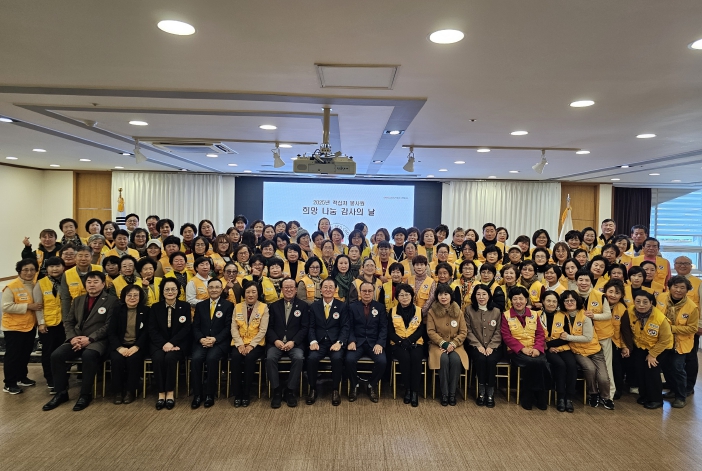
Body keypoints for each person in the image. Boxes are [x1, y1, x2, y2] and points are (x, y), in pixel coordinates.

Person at [43, 271, 118, 411]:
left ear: (103, 284)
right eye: (89, 282)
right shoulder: (78, 300)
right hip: (76, 338)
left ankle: (85, 394)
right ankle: (61, 393)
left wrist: (90, 338)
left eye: (96, 282)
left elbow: (109, 325)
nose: (92, 285)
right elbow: (69, 321)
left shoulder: (112, 301)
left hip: (97, 340)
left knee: (88, 355)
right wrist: (72, 338)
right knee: (56, 355)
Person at [559, 290, 614, 410]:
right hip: (578, 352)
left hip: (595, 350)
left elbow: (588, 338)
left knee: (603, 377)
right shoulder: (561, 315)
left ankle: (606, 397)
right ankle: (593, 394)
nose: (569, 302)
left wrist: (568, 337)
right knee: (590, 369)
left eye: (572, 300)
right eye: (566, 300)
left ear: (577, 301)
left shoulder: (585, 315)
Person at [620, 290, 673, 409]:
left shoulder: (660, 318)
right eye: (638, 301)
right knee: (640, 370)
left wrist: (652, 355)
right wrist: (626, 346)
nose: (641, 305)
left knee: (651, 371)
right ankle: (644, 395)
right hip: (641, 346)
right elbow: (625, 332)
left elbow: (665, 340)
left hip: (660, 347)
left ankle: (656, 399)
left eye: (645, 302)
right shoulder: (630, 311)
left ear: (651, 302)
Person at [500, 286, 550, 410]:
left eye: (521, 299)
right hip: (516, 351)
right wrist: (522, 349)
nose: (518, 301)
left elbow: (540, 334)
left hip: (534, 349)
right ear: (511, 301)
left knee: (541, 361)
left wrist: (537, 348)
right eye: (515, 299)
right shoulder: (506, 315)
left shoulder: (534, 314)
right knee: (534, 362)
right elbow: (506, 337)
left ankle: (531, 393)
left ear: (526, 300)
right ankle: (534, 394)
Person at [656, 276, 700, 408]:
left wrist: (671, 328)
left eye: (682, 288)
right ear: (670, 287)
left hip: (680, 343)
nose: (678, 290)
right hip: (663, 341)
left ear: (687, 290)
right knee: (665, 367)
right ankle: (673, 390)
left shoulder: (692, 307)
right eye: (675, 287)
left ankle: (681, 396)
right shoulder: (661, 298)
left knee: (677, 368)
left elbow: (693, 328)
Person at [148, 278, 191, 410]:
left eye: (173, 289)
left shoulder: (185, 306)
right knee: (158, 358)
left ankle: (170, 392)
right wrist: (164, 344)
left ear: (178, 291)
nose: (170, 292)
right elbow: (152, 329)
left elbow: (186, 328)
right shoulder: (155, 307)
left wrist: (172, 343)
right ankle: (161, 393)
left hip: (178, 343)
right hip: (158, 344)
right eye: (167, 289)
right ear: (162, 291)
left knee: (170, 358)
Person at [266, 278, 309, 408]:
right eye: (286, 287)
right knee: (270, 358)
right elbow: (269, 327)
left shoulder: (303, 306)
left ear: (296, 290)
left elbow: (304, 328)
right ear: (281, 290)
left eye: (291, 287)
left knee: (299, 358)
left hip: (294, 343)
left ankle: (290, 391)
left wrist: (293, 342)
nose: (289, 289)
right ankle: (277, 391)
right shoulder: (274, 306)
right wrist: (276, 340)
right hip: (277, 343)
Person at [190, 278, 233, 409]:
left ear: (221, 289)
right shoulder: (200, 305)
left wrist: (215, 339)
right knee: (196, 359)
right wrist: (201, 339)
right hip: (202, 341)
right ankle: (197, 394)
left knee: (211, 358)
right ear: (207, 289)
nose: (214, 290)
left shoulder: (228, 305)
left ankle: (209, 394)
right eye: (211, 287)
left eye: (217, 287)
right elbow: (195, 326)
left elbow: (228, 327)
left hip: (219, 342)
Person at [306, 278, 349, 406]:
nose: (328, 289)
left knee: (337, 359)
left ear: (335, 290)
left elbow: (345, 327)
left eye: (331, 287)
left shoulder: (342, 306)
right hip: (319, 342)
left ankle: (335, 390)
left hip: (335, 342)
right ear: (320, 290)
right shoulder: (314, 306)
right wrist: (313, 341)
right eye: (325, 287)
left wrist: (339, 342)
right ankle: (313, 389)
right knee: (311, 358)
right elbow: (311, 327)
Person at [2, 259, 41, 395]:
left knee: (25, 354)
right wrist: (28, 306)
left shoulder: (35, 285)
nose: (29, 272)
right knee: (13, 356)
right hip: (13, 327)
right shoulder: (11, 286)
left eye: (32, 269)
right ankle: (9, 383)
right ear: (19, 271)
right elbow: (6, 306)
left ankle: (21, 377)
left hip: (29, 326)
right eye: (25, 270)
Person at [574, 269, 615, 400]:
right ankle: (593, 393)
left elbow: (608, 314)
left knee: (606, 366)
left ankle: (609, 395)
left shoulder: (600, 295)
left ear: (591, 281)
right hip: (583, 338)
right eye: (581, 280)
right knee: (591, 368)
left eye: (587, 280)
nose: (583, 283)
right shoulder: (572, 295)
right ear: (576, 281)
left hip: (602, 335)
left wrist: (594, 316)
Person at [346, 281, 388, 403]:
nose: (367, 293)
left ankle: (371, 385)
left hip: (374, 343)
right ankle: (354, 385)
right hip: (357, 342)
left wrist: (380, 343)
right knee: (349, 360)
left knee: (382, 361)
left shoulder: (380, 307)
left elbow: (383, 327)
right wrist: (351, 340)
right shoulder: (352, 307)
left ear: (373, 292)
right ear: (360, 292)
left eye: (370, 291)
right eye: (364, 291)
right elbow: (349, 327)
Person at [427, 283, 468, 406]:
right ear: (437, 296)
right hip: (437, 345)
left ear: (451, 296)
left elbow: (463, 332)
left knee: (455, 360)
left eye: (446, 294)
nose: (443, 297)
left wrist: (453, 344)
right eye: (440, 294)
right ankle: (444, 393)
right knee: (443, 359)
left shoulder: (458, 312)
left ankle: (452, 393)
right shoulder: (432, 312)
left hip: (456, 345)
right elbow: (430, 331)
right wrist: (444, 344)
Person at [229, 281, 269, 407]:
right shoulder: (237, 307)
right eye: (248, 292)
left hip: (256, 344)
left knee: (250, 359)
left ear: (258, 293)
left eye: (253, 292)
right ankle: (237, 393)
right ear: (244, 293)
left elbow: (263, 330)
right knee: (235, 358)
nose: (250, 295)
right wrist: (240, 344)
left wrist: (251, 345)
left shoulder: (263, 307)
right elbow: (233, 328)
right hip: (239, 342)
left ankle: (246, 393)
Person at [107, 285, 149, 405]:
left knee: (133, 360)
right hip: (120, 345)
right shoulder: (117, 310)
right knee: (117, 359)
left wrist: (137, 346)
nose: (132, 298)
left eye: (135, 295)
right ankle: (118, 392)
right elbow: (111, 332)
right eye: (129, 295)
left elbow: (147, 332)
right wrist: (119, 348)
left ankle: (131, 391)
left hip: (137, 345)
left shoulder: (146, 310)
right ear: (124, 297)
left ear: (140, 297)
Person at [32, 256, 66, 394]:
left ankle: (62, 379)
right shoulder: (41, 283)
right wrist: (41, 323)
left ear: (63, 267)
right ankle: (50, 380)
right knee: (48, 353)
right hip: (48, 325)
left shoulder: (67, 281)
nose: (54, 269)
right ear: (47, 269)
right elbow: (38, 306)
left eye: (57, 266)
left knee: (62, 353)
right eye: (51, 266)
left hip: (64, 324)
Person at [464, 284, 502, 407]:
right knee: (480, 359)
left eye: (484, 294)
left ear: (489, 296)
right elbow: (468, 330)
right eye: (478, 294)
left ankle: (490, 393)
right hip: (475, 346)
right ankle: (481, 392)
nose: (481, 297)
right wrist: (478, 345)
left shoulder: (496, 311)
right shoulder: (469, 310)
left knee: (490, 360)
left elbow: (498, 331)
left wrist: (491, 346)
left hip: (494, 346)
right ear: (474, 296)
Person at [539, 291, 577, 412]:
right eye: (548, 301)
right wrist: (547, 347)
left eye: (554, 301)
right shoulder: (537, 315)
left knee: (572, 365)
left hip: (562, 346)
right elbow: (536, 336)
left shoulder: (563, 315)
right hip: (545, 349)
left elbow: (566, 337)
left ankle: (569, 398)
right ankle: (560, 397)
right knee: (560, 365)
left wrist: (549, 345)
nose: (551, 304)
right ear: (543, 302)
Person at [388, 283, 424, 407]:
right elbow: (390, 331)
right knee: (405, 359)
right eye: (401, 295)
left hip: (415, 343)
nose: (404, 297)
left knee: (416, 358)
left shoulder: (419, 310)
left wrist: (409, 340)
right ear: (397, 297)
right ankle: (407, 389)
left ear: (412, 296)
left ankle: (415, 391)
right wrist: (400, 341)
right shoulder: (392, 311)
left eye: (407, 295)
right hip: (398, 344)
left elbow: (421, 330)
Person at [672, 256, 702, 394]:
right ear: (674, 265)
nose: (682, 266)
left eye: (686, 263)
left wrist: (700, 325)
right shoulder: (672, 281)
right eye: (679, 263)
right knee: (674, 358)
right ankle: (675, 385)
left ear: (691, 266)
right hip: (673, 328)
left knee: (690, 357)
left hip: (691, 327)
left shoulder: (698, 283)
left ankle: (688, 386)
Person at [58, 245, 103, 317]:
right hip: (76, 312)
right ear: (75, 257)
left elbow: (105, 292)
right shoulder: (67, 274)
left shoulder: (100, 270)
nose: (83, 259)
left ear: (91, 257)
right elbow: (65, 298)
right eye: (80, 256)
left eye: (86, 256)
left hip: (98, 310)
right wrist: (66, 319)